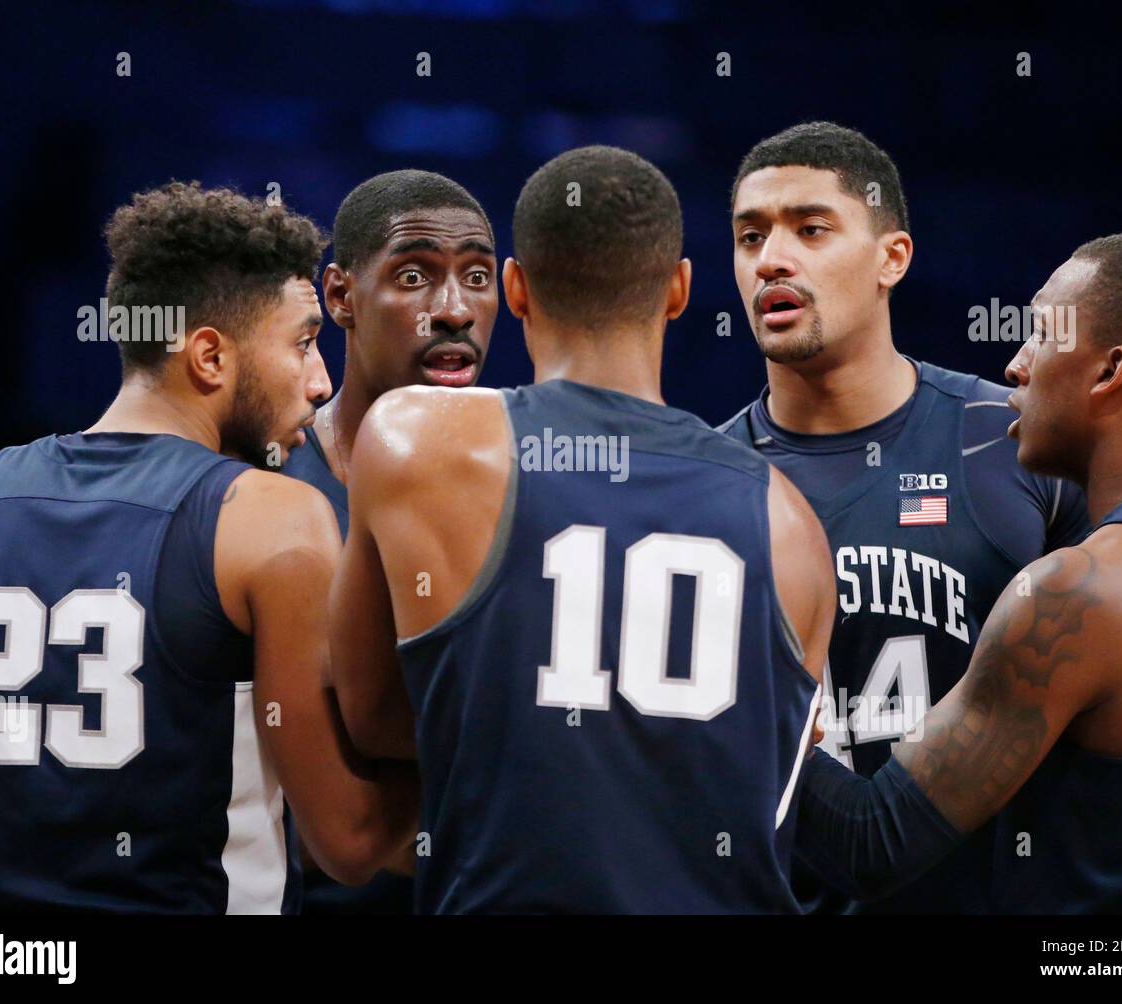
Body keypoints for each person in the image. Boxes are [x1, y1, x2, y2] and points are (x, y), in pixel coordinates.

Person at [329, 146, 836, 913]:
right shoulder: (790, 519)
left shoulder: (418, 441)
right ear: (679, 290)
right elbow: (771, 788)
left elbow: (373, 721)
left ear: (517, 289)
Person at [0, 182, 416, 912]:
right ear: (211, 357)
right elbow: (348, 842)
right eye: (304, 343)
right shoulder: (273, 518)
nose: (321, 383)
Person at [719, 121, 1090, 913]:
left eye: (810, 228)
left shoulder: (1013, 440)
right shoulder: (700, 484)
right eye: (750, 236)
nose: (771, 259)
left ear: (893, 257)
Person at [795, 234, 1122, 913]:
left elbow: (870, 842)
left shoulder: (1079, 593)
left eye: (1039, 334)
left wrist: (742, 713)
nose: (1015, 364)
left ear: (1109, 370)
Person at [282, 169, 498, 913]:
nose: (453, 311)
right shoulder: (258, 485)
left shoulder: (536, 492)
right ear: (339, 296)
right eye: (415, 276)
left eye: (477, 277)